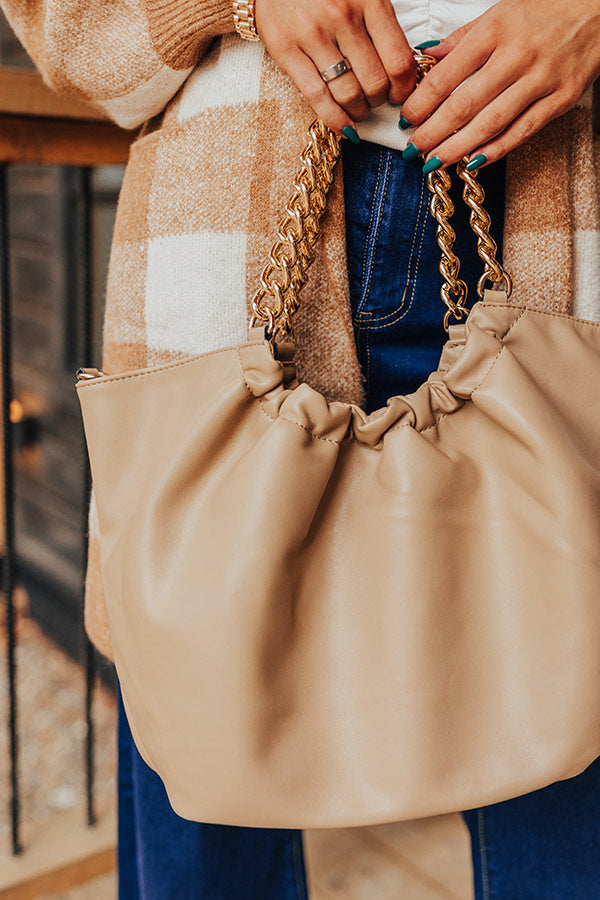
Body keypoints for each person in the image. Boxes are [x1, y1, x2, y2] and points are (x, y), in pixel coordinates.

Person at [3, 0, 600, 897]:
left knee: (572, 741)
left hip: (560, 216)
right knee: (202, 778)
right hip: (224, 241)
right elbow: (66, 28)